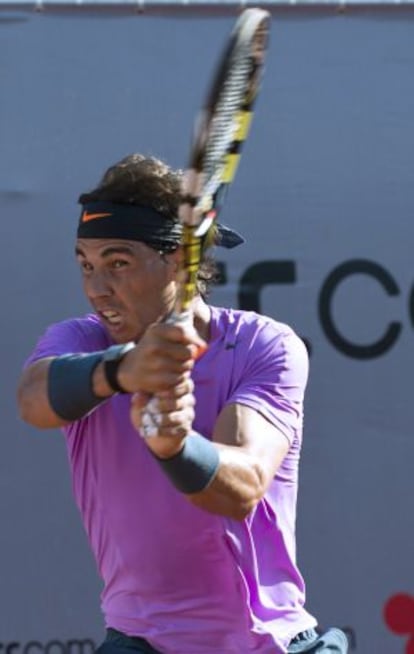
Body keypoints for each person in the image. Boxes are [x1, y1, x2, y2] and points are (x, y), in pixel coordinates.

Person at [17, 153, 349, 654]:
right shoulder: (79, 342)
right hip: (141, 641)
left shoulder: (264, 345)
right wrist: (121, 370)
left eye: (118, 264)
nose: (96, 289)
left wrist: (175, 448)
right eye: (86, 265)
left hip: (273, 643)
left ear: (177, 259)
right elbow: (33, 400)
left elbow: (243, 487)